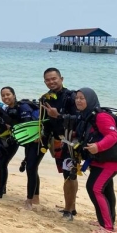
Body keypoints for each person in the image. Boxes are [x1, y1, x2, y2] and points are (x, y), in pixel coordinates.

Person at [76, 88, 117, 233]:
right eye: (77, 98)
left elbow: (113, 136)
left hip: (112, 159)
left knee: (95, 188)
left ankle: (108, 228)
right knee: (105, 189)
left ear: (90, 99)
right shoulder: (87, 116)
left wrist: (98, 147)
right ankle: (107, 222)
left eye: (82, 98)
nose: (78, 100)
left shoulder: (101, 116)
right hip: (100, 159)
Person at [39, 67, 79, 221]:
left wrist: (59, 115)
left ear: (61, 79)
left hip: (71, 141)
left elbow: (78, 120)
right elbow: (45, 123)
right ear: (44, 82)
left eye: (54, 78)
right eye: (48, 80)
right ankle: (71, 207)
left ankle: (68, 211)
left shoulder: (71, 97)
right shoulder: (45, 99)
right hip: (56, 142)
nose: (51, 82)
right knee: (66, 175)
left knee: (70, 175)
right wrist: (42, 139)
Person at [1, 87, 43, 210]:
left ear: (14, 95)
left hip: (37, 140)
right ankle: (36, 197)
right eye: (3, 95)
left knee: (31, 167)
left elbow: (27, 126)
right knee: (32, 167)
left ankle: (29, 201)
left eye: (8, 94)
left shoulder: (23, 107)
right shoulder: (9, 109)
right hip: (29, 141)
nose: (5, 97)